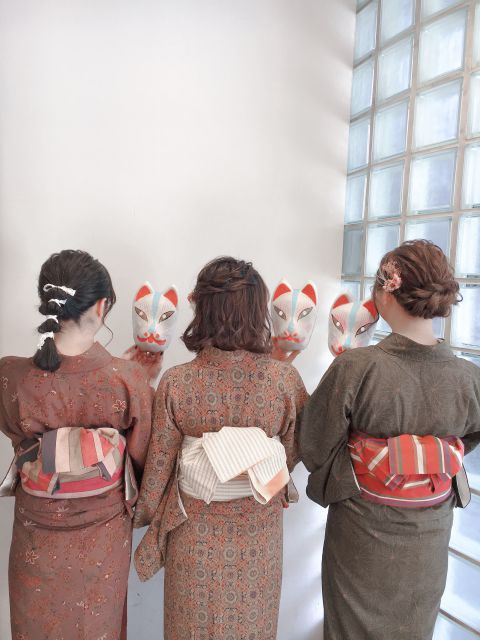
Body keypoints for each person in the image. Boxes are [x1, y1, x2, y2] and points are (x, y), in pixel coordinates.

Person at [300, 240, 480, 640]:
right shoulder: (469, 377)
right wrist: (433, 459)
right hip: (430, 533)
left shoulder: (356, 366)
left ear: (386, 290)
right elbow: (470, 435)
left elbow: (313, 443)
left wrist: (365, 464)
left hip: (363, 531)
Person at [133, 256, 308, 640]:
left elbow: (159, 467)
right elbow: (295, 450)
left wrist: (141, 512)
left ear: (201, 308)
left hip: (194, 534)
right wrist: (262, 475)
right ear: (259, 311)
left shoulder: (177, 382)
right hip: (258, 533)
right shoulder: (284, 380)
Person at [0, 249, 155, 640]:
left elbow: (15, 434)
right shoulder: (127, 379)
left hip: (35, 535)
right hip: (101, 542)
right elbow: (142, 459)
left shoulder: (10, 375)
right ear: (101, 307)